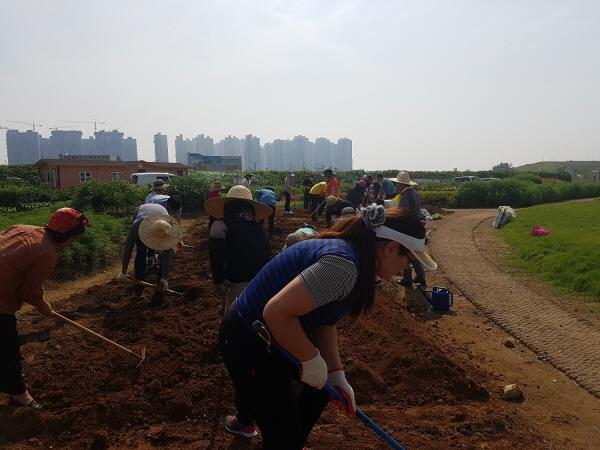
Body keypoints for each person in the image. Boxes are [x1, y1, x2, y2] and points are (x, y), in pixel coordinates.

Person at [219, 205, 437, 449]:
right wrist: (311, 359)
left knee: (320, 389)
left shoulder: (354, 260)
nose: (405, 268)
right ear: (391, 248)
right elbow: (276, 313)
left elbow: (325, 320)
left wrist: (335, 373)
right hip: (247, 339)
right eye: (408, 260)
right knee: (283, 434)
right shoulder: (343, 267)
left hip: (273, 336)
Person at [1, 208, 89, 410]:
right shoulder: (47, 254)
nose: (73, 242)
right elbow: (28, 291)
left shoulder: (22, 229)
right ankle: (19, 395)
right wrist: (43, 306)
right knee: (8, 350)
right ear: (66, 235)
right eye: (73, 237)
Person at [205, 185, 272, 315]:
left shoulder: (221, 225)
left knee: (236, 320)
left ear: (228, 207)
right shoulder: (257, 228)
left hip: (238, 282)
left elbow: (216, 251)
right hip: (263, 280)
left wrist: (218, 281)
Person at [118, 198, 182, 293]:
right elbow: (128, 248)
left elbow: (168, 255)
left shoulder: (167, 229)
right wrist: (124, 272)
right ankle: (139, 283)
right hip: (143, 215)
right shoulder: (136, 227)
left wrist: (165, 278)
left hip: (160, 215)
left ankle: (161, 283)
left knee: (167, 253)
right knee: (141, 252)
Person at [394, 172, 427, 287]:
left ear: (402, 184)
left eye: (398, 183)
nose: (396, 185)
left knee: (405, 253)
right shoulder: (414, 193)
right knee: (413, 254)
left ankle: (407, 279)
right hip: (415, 227)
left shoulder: (405, 196)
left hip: (407, 229)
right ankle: (421, 278)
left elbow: (402, 214)